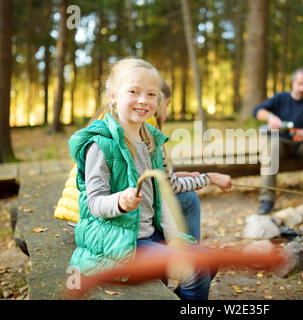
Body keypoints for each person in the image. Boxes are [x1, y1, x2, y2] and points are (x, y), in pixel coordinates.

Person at [68, 58, 211, 300]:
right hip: (119, 242)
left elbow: (163, 196)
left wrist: (174, 238)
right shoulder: (101, 145)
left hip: (149, 234)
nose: (143, 100)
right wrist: (121, 202)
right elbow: (94, 204)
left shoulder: (150, 141)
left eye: (151, 94)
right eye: (133, 91)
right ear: (113, 96)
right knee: (196, 270)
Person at [148, 80, 232, 241]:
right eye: (168, 104)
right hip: (141, 210)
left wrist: (177, 174)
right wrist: (212, 178)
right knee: (189, 199)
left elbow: (155, 179)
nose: (167, 111)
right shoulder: (150, 131)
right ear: (158, 103)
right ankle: (193, 257)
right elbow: (172, 187)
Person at [253, 67, 303, 215]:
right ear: (293, 82)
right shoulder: (280, 98)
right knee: (271, 146)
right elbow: (258, 112)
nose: (302, 88)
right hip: (280, 144)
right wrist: (270, 117)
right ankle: (267, 200)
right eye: (299, 84)